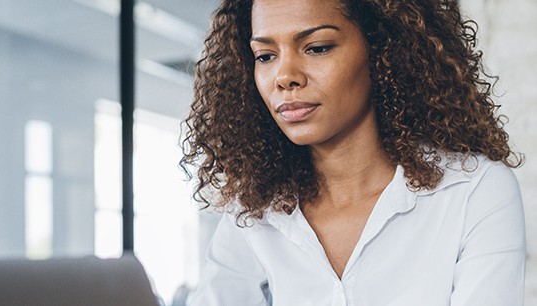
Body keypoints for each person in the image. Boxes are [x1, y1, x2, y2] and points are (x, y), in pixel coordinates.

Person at [180, 0, 526, 305]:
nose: (284, 77)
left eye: (317, 47)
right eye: (266, 56)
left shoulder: (474, 191)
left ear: (382, 49)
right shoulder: (255, 209)